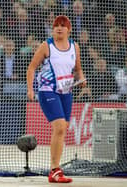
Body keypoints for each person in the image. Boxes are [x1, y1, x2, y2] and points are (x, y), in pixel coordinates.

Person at [27, 15, 86, 183]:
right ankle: (54, 170)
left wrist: (82, 81)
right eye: (56, 26)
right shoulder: (47, 46)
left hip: (66, 92)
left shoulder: (75, 46)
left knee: (63, 129)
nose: (59, 28)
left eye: (62, 25)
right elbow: (31, 68)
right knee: (59, 126)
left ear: (69, 29)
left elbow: (78, 69)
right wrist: (30, 89)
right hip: (48, 91)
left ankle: (56, 168)